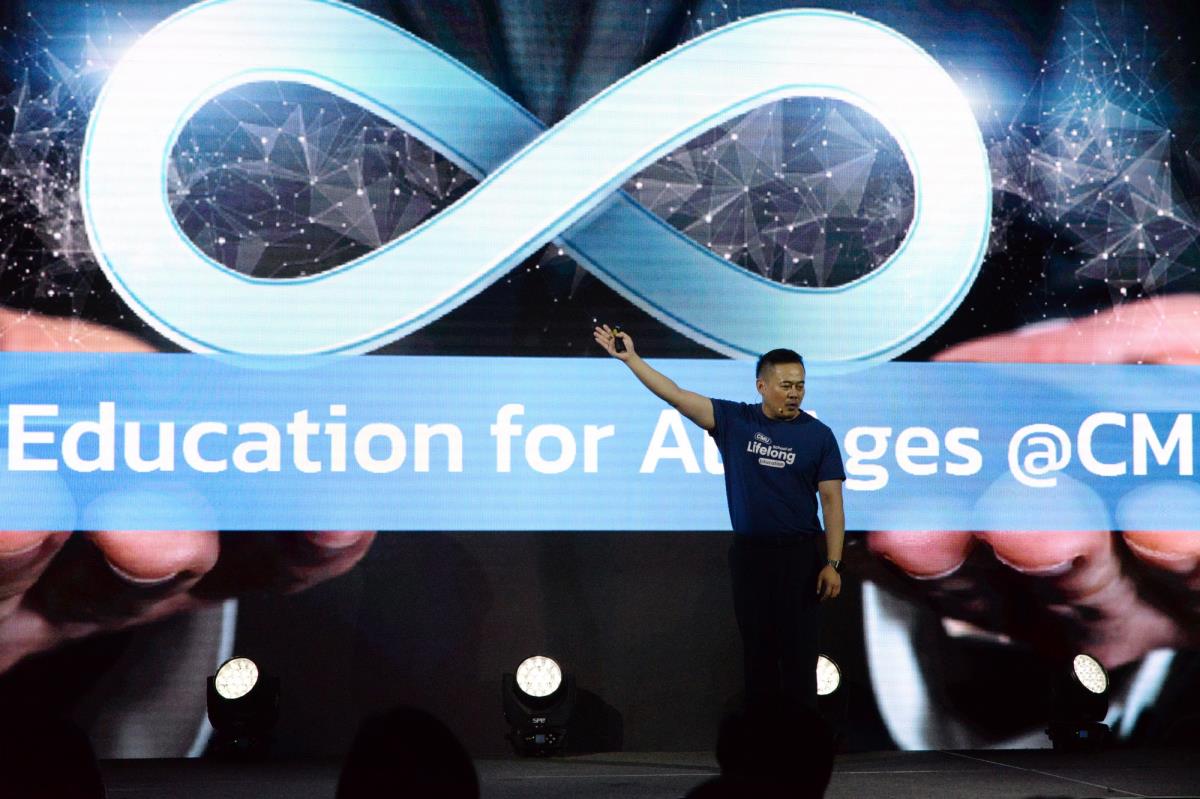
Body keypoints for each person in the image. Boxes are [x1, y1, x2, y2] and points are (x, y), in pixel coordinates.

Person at [594, 325, 845, 709]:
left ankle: (802, 740)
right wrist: (632, 359)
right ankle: (759, 740)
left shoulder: (819, 436)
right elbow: (676, 395)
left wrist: (833, 562)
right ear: (761, 386)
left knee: (800, 660)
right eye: (785, 385)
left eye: (800, 385)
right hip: (752, 558)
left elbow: (832, 502)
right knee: (758, 657)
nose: (794, 393)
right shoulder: (735, 421)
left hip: (800, 559)